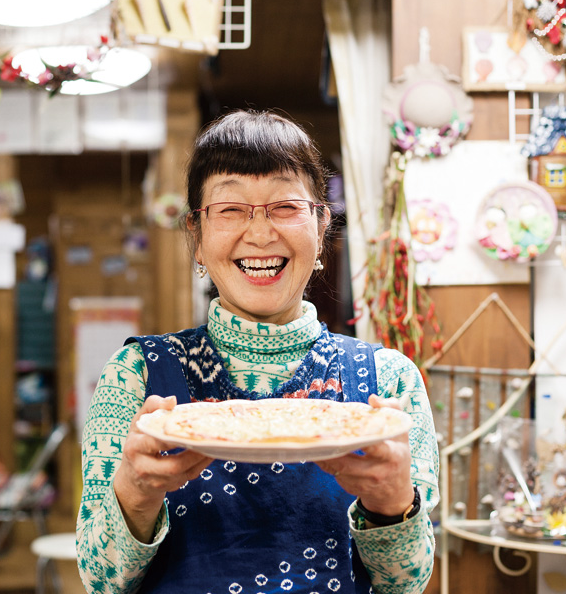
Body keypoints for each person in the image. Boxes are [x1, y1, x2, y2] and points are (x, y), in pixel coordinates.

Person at [76, 110, 439, 594]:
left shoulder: (387, 382)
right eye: (230, 209)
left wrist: (392, 504)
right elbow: (100, 582)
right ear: (197, 238)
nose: (261, 232)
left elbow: (406, 586)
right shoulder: (136, 376)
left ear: (321, 224)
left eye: (286, 206)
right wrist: (135, 495)